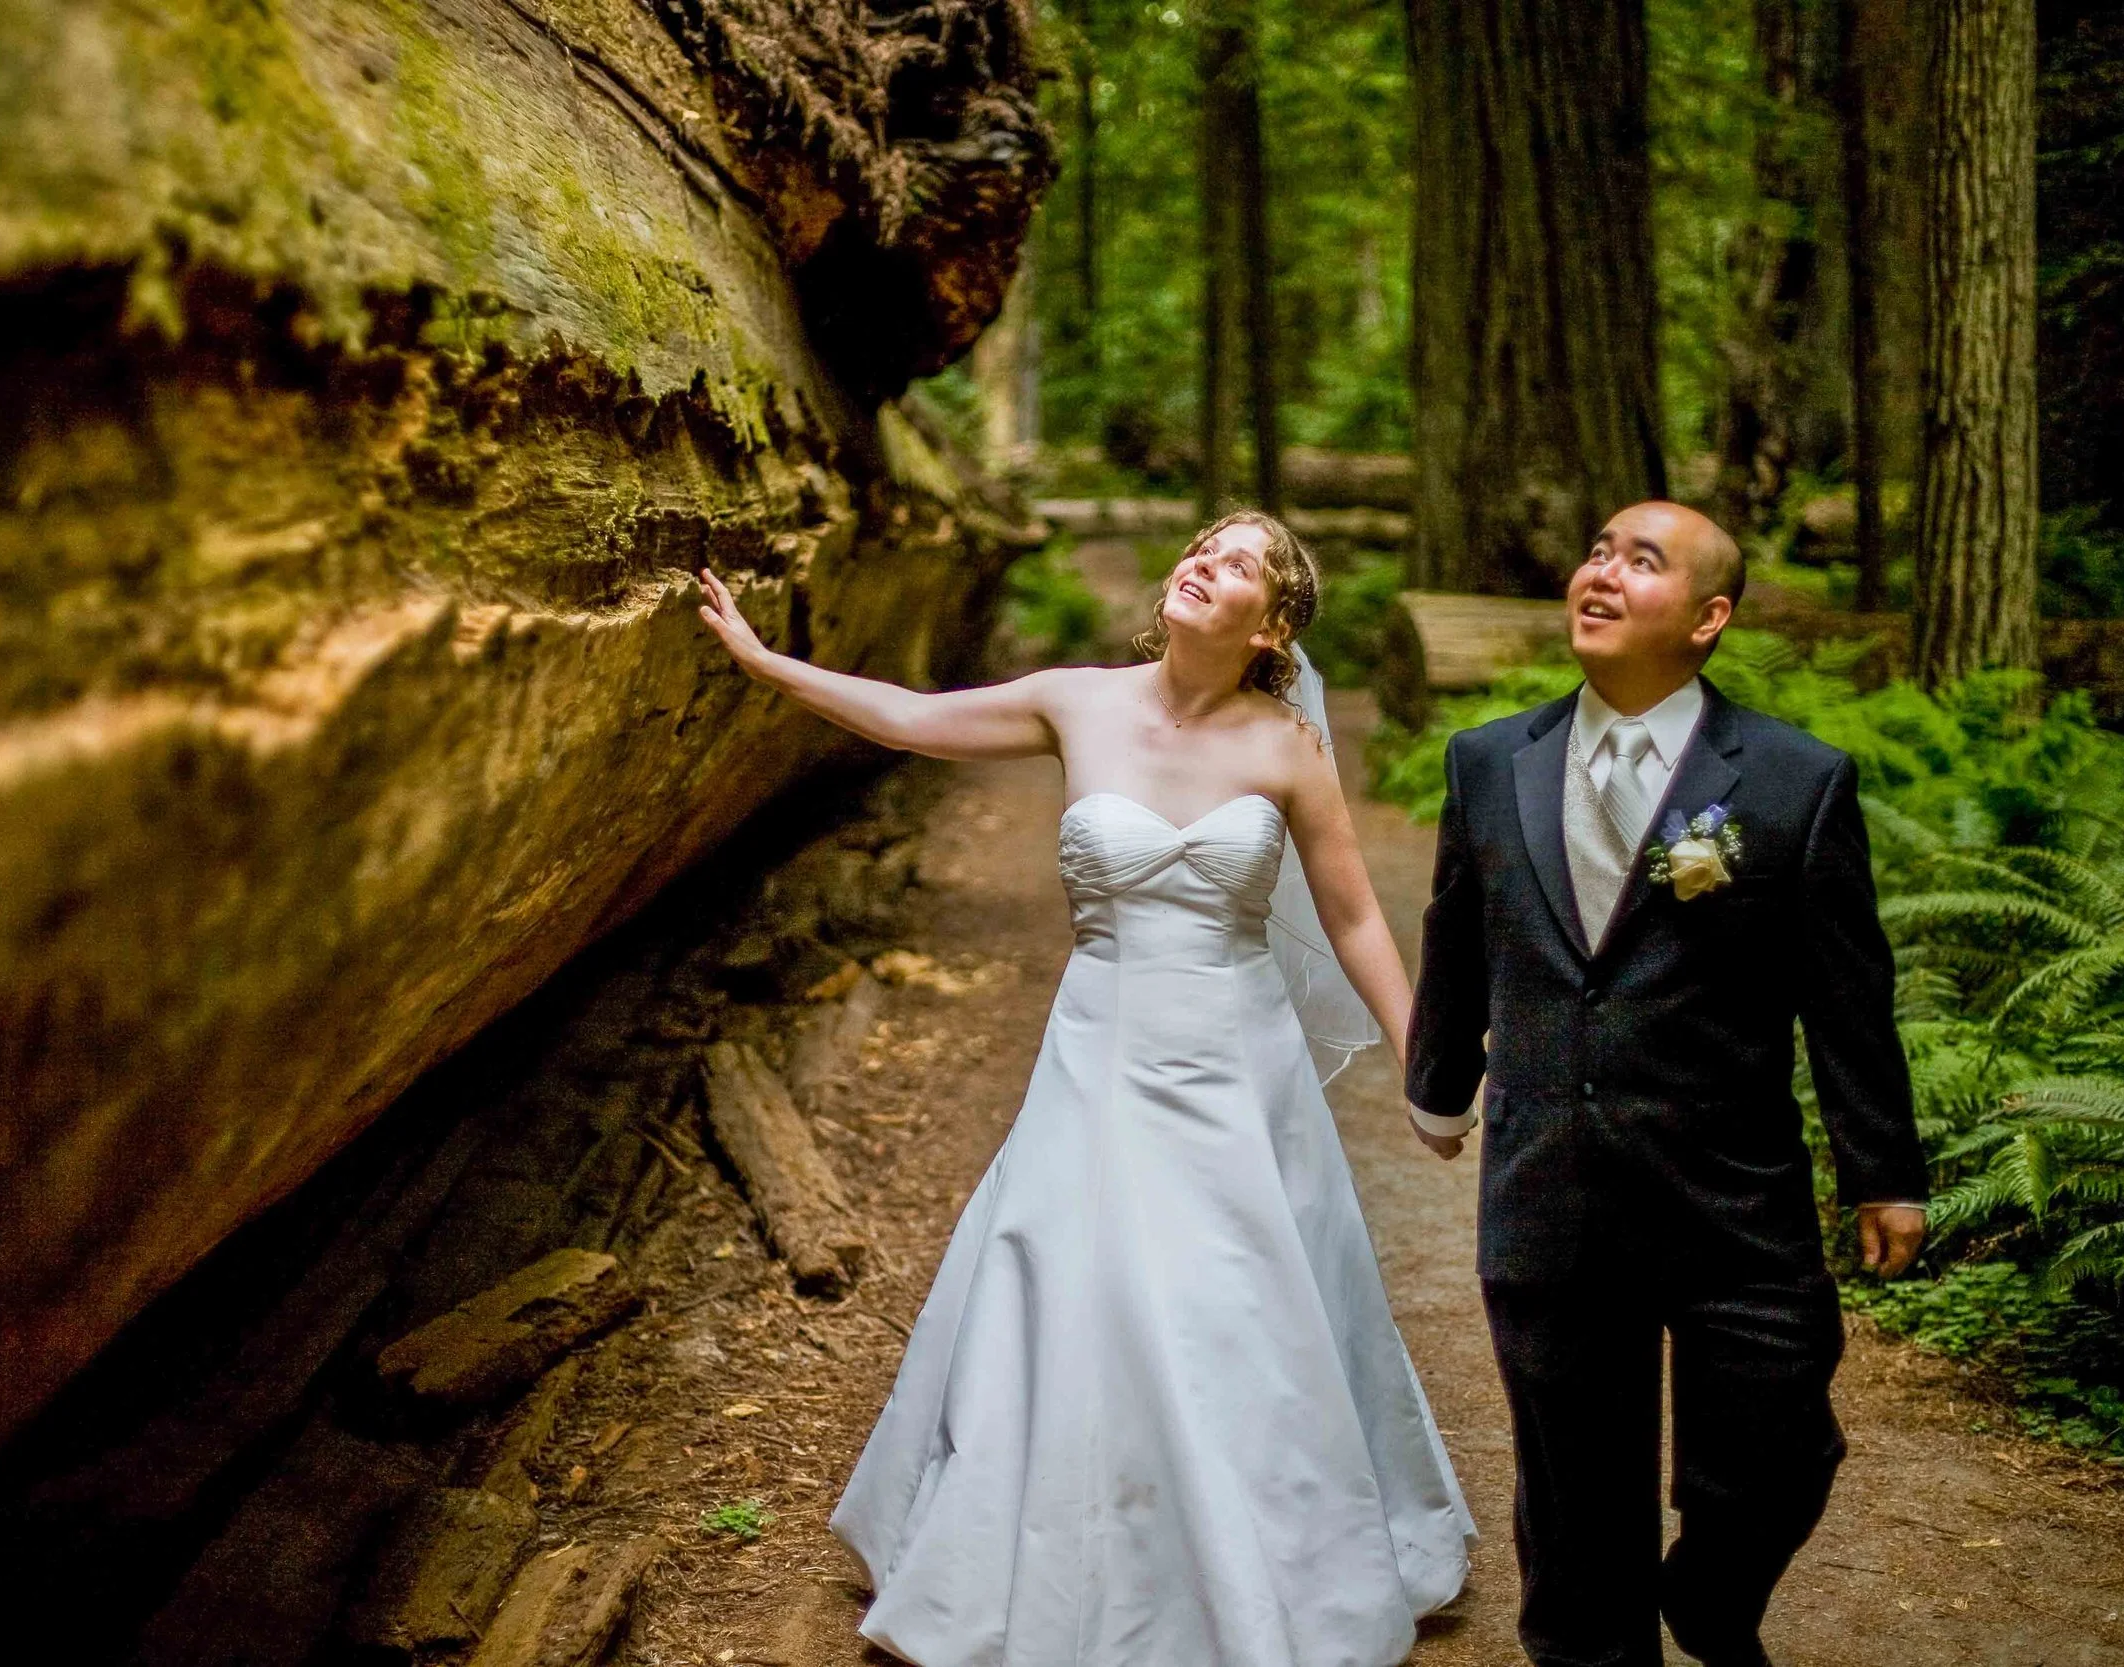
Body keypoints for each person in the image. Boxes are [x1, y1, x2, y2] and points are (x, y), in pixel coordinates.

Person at [695, 511, 1475, 1667]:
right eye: (1200, 544)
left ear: (1271, 626)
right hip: (1103, 1044)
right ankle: (1057, 1557)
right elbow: (911, 719)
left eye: (1237, 560)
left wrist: (1425, 1056)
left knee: (1237, 1294)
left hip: (1237, 1060)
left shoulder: (1285, 748)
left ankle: (1267, 1555)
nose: (1201, 559)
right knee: (1073, 1272)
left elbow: (1354, 913)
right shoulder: (1077, 700)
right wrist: (767, 664)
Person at [1404, 501, 1929, 1667]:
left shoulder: (1795, 781)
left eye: (1641, 561)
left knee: (1780, 1448)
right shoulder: (1490, 760)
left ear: (1708, 617)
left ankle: (1709, 1594)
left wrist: (1882, 1170)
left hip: (1730, 1198)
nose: (1600, 571)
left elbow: (1846, 996)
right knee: (1577, 1502)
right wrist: (1437, 1082)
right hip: (1550, 1186)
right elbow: (1458, 936)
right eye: (1596, 550)